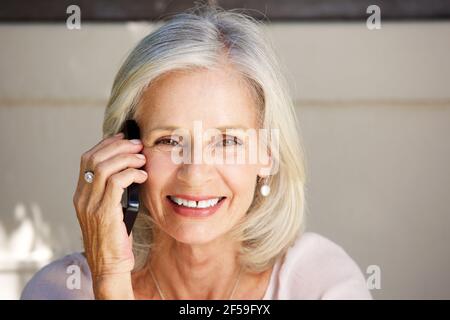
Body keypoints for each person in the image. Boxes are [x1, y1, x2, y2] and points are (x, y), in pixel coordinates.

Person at [21, 5, 371, 300]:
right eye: (169, 141)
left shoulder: (318, 282)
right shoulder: (59, 289)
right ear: (124, 148)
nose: (195, 173)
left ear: (267, 153)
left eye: (227, 141)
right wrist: (111, 278)